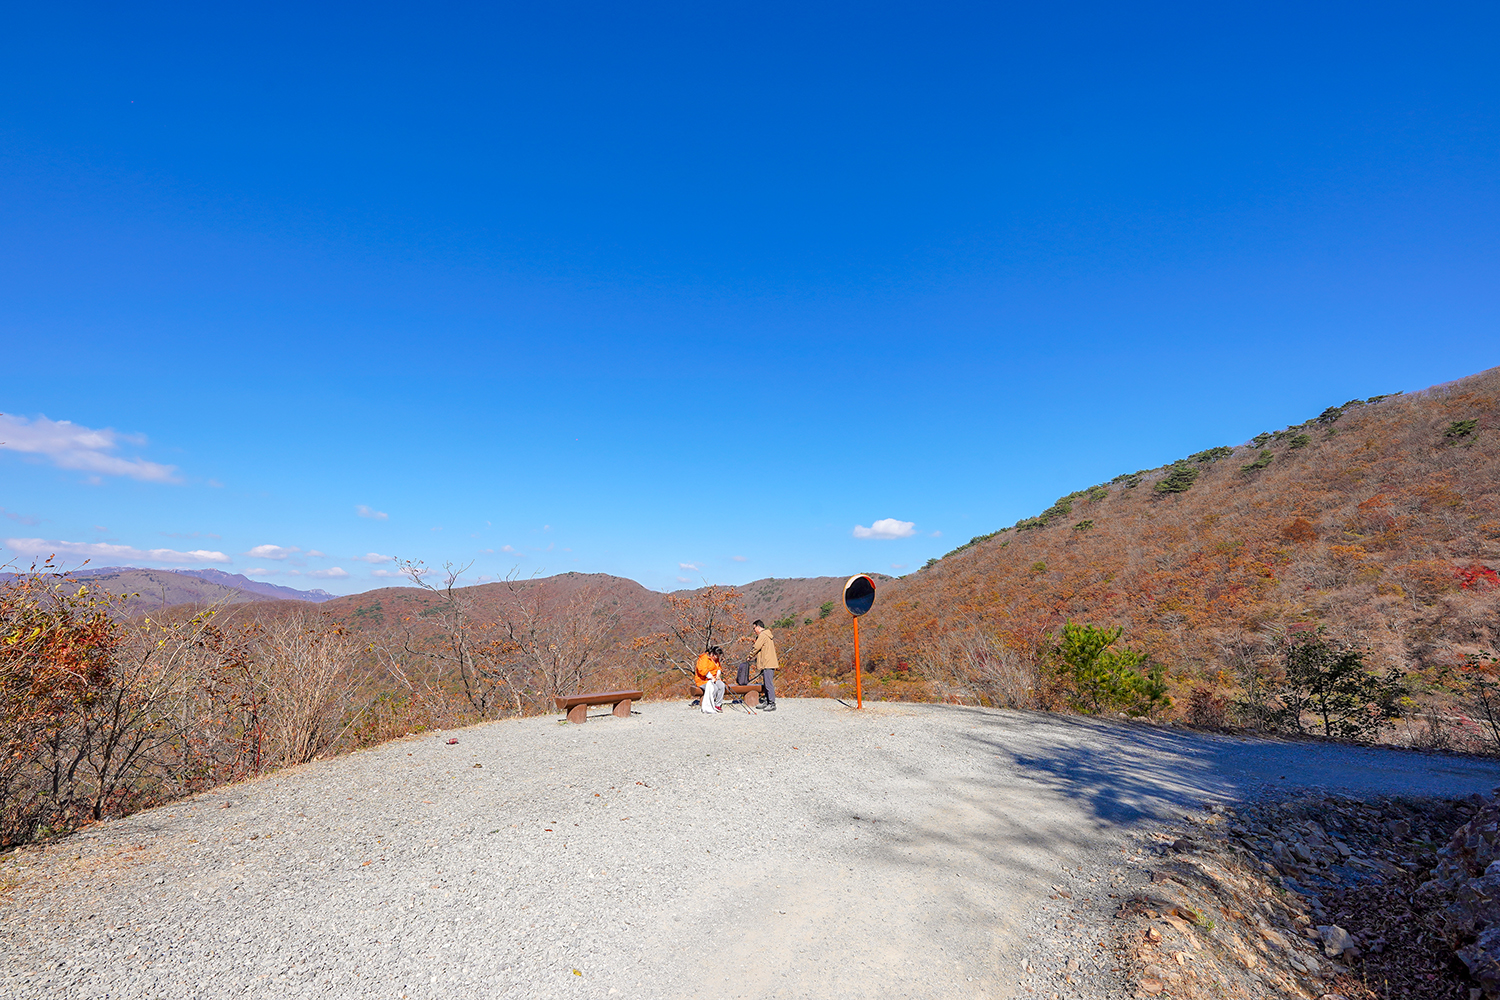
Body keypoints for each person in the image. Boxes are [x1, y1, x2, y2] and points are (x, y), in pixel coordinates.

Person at [751, 620, 778, 711]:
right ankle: (767, 701)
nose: (754, 630)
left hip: (767, 663)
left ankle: (771, 703)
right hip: (768, 662)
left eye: (754, 628)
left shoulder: (762, 635)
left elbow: (756, 647)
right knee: (766, 683)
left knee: (768, 684)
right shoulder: (767, 635)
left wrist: (750, 656)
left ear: (758, 627)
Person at [694, 645, 726, 714]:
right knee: (714, 688)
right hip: (703, 680)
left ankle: (718, 705)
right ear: (712, 653)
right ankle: (710, 704)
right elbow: (702, 670)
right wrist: (711, 677)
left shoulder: (716, 659)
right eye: (716, 656)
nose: (717, 658)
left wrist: (718, 674)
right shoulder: (704, 658)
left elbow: (718, 668)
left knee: (721, 686)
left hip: (713, 679)